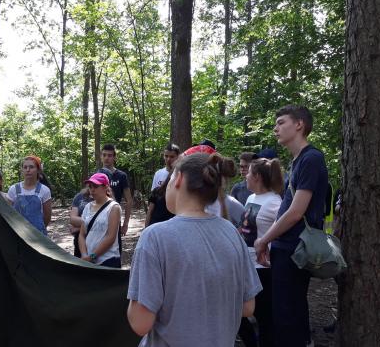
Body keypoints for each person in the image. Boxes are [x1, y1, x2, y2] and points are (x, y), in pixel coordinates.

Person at [127, 152, 261, 346]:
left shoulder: (155, 237)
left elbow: (140, 323)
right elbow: (248, 307)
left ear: (179, 178)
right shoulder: (231, 232)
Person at [254, 105, 328, 347]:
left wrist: (264, 239)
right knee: (287, 310)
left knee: (288, 314)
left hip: (296, 249)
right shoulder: (297, 161)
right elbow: (286, 209)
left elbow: (296, 212)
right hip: (285, 247)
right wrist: (271, 241)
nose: (276, 128)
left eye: (281, 122)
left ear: (299, 125)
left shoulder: (311, 158)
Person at [237, 158, 284, 347]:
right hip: (246, 264)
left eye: (248, 172)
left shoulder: (275, 201)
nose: (245, 176)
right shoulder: (250, 198)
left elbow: (284, 230)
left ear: (256, 177)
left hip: (263, 268)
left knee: (264, 316)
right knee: (238, 310)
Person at [78, 173, 122, 268]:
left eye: (96, 186)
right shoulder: (87, 207)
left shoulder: (114, 207)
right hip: (88, 262)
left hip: (108, 260)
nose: (92, 190)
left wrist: (92, 256)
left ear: (105, 187)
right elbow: (82, 234)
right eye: (90, 187)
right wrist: (84, 255)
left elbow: (111, 237)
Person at [7, 156, 52, 236]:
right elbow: (8, 213)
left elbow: (47, 216)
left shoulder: (44, 190)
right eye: (25, 167)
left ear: (38, 170)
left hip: (38, 235)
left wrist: (39, 229)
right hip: (17, 234)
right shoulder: (13, 189)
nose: (28, 170)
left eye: (31, 167)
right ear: (22, 170)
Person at [100, 144, 132, 251]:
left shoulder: (121, 176)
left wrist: (125, 224)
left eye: (109, 155)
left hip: (114, 219)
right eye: (104, 155)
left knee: (115, 251)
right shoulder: (97, 175)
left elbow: (129, 200)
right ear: (101, 156)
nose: (106, 158)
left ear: (114, 157)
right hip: (99, 220)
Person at [69, 187, 93, 257]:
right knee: (79, 264)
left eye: (96, 185)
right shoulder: (79, 196)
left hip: (97, 241)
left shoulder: (108, 200)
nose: (93, 188)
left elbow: (103, 224)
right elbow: (72, 219)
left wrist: (77, 228)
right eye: (91, 184)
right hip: (79, 239)